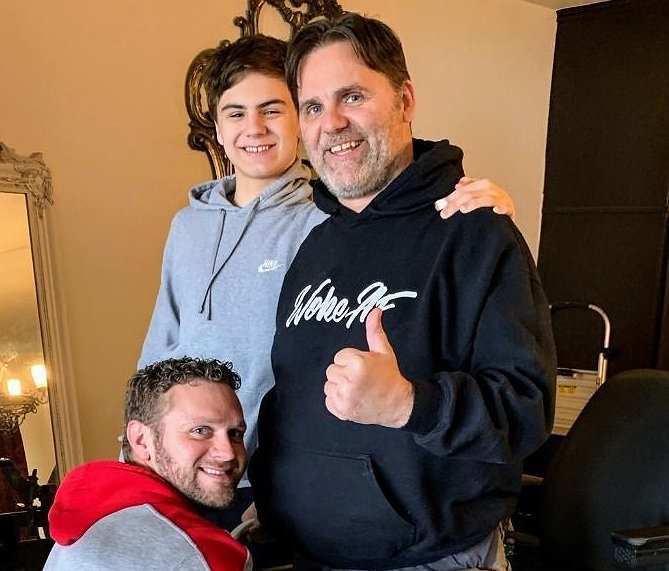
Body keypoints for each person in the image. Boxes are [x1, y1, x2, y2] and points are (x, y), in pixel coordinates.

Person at [138, 34, 517, 530]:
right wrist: (139, 447)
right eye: (235, 113)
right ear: (217, 123)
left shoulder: (327, 220)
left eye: (273, 110)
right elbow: (161, 345)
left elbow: (399, 215)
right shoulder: (187, 225)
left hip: (265, 477)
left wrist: (484, 202)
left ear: (299, 120)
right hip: (187, 471)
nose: (253, 128)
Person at [248, 13, 556, 571]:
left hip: (428, 558)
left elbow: (525, 410)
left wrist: (409, 404)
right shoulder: (316, 243)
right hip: (308, 552)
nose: (331, 122)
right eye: (313, 106)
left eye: (353, 96)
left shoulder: (476, 233)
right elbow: (293, 397)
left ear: (405, 100)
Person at [43, 357, 251, 571]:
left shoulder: (89, 518)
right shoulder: (198, 555)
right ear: (141, 439)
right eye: (200, 431)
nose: (227, 453)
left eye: (235, 434)